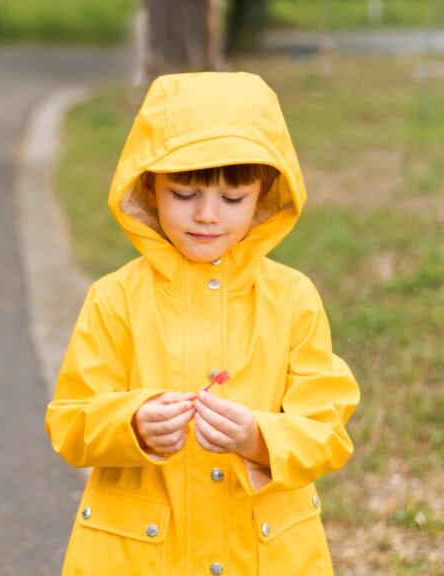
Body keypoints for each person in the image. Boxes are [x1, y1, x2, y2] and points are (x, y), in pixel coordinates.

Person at [44, 72, 360, 575]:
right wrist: (133, 424)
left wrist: (258, 437)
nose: (208, 216)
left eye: (232, 199)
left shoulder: (292, 298)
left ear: (264, 194)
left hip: (262, 555)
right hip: (140, 555)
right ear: (149, 186)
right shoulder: (116, 298)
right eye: (185, 194)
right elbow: (70, 422)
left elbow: (327, 431)